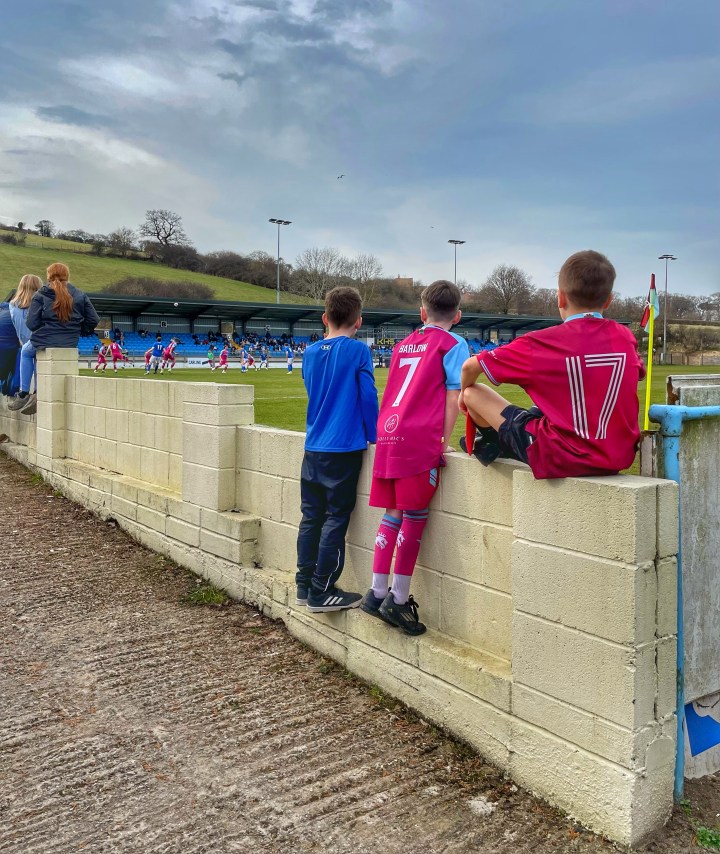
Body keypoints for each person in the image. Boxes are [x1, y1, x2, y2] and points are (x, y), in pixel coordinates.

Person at [459, 250, 646, 478]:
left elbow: (470, 367)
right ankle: (496, 442)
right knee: (546, 406)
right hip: (618, 457)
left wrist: (461, 395)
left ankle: (493, 442)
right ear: (608, 300)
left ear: (560, 297)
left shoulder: (541, 342)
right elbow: (636, 372)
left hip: (560, 456)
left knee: (472, 393)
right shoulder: (625, 337)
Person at [363, 280, 469, 635]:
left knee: (393, 513)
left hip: (389, 435)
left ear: (422, 313)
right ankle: (398, 599)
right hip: (417, 440)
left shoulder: (403, 344)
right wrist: (443, 441)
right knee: (416, 516)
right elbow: (454, 395)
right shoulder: (454, 343)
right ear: (457, 315)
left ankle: (376, 593)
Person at [296, 287, 378, 613]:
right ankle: (322, 590)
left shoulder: (310, 352)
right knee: (335, 518)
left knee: (310, 517)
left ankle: (303, 585)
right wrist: (374, 435)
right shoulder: (358, 352)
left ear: (324, 318)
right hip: (342, 448)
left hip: (313, 446)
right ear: (358, 321)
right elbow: (368, 397)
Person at [9, 263, 98, 412]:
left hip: (45, 339)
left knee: (26, 351)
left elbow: (31, 323)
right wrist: (78, 330)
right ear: (67, 276)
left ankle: (24, 393)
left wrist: (44, 329)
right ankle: (36, 393)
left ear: (48, 276)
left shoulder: (41, 294)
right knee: (33, 351)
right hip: (70, 341)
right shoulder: (80, 294)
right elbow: (93, 320)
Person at [7, 275, 42, 414]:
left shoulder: (12, 304)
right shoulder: (40, 302)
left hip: (24, 340)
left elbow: (17, 325)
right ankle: (37, 392)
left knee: (26, 354)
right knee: (37, 358)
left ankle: (24, 392)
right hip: (39, 339)